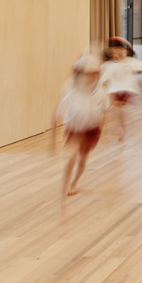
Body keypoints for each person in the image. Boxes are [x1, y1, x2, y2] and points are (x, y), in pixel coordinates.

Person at [52, 53, 106, 205]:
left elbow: (104, 112)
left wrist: (102, 129)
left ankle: (75, 182)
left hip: (92, 129)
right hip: (75, 129)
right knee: (71, 157)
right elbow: (56, 114)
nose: (91, 76)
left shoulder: (100, 91)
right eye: (87, 73)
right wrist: (52, 142)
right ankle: (63, 197)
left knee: (82, 160)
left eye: (94, 73)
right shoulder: (71, 89)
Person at [99, 38, 142, 141]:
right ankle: (121, 128)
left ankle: (124, 129)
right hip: (114, 89)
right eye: (113, 49)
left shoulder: (130, 62)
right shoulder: (109, 65)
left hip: (126, 89)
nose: (115, 51)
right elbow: (103, 77)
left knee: (117, 106)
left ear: (123, 49)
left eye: (117, 48)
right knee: (111, 109)